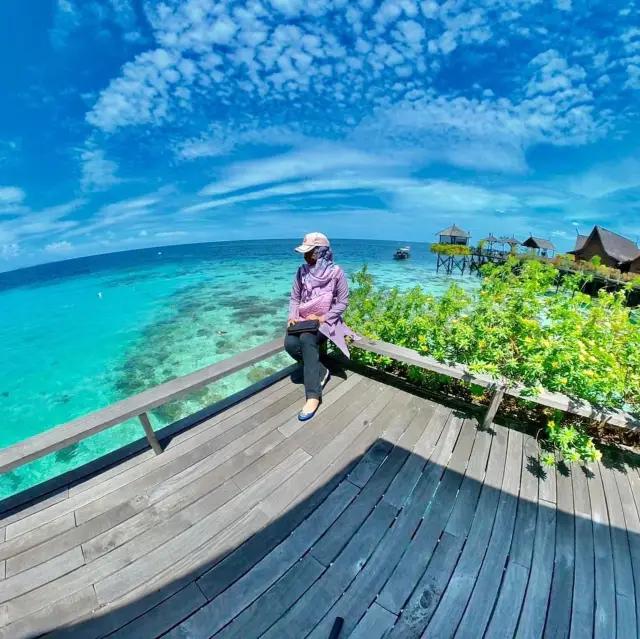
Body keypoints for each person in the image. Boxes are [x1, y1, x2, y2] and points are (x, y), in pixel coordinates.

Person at [285, 232, 358, 421]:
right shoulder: (301, 271)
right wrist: (292, 317)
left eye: (310, 252)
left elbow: (343, 302)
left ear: (321, 252)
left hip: (326, 322)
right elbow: (295, 298)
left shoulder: (336, 272)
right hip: (303, 321)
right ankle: (321, 370)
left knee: (307, 339)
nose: (306, 256)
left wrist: (323, 317)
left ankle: (313, 395)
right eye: (305, 252)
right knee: (290, 344)